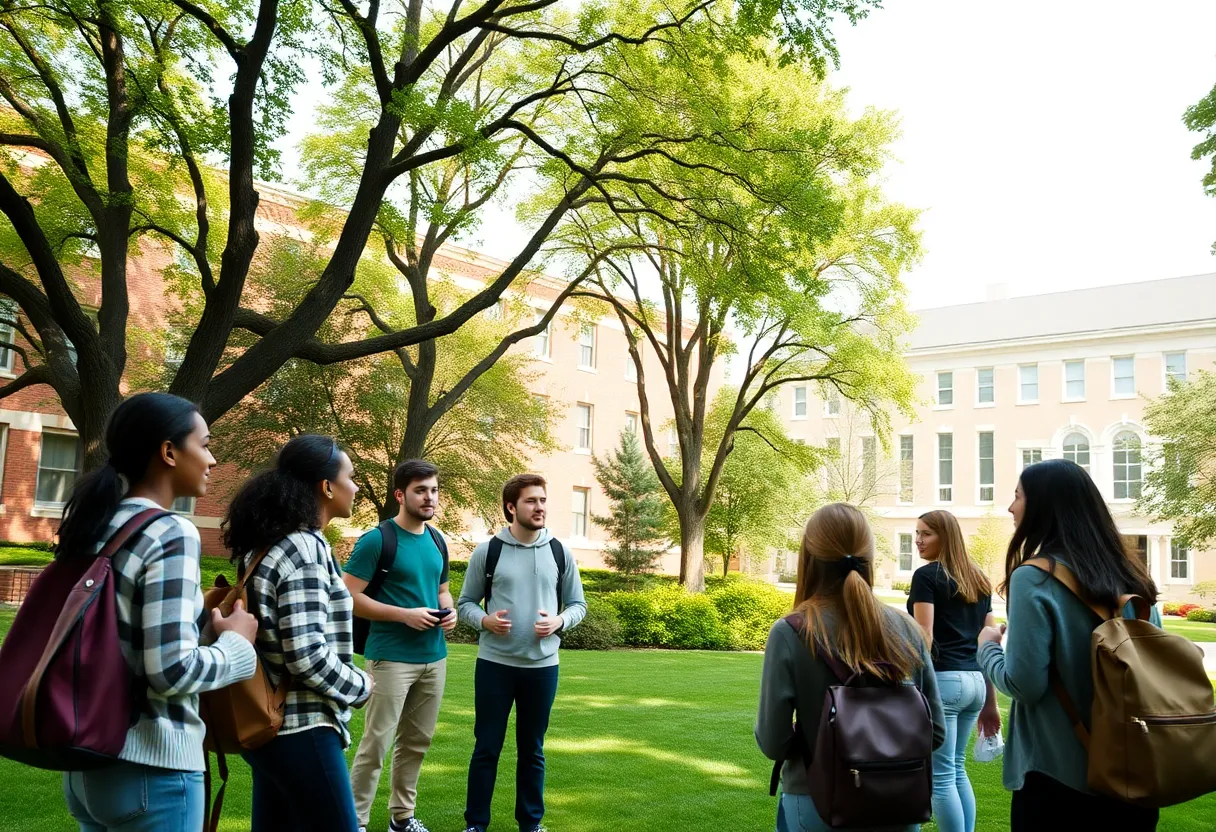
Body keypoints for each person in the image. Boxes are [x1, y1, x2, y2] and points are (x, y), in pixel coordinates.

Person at [59, 393, 259, 832]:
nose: (212, 458)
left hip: (86, 762)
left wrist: (202, 630)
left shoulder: (96, 524)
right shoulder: (170, 531)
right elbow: (170, 671)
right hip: (154, 767)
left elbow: (129, 645)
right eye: (205, 444)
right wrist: (237, 646)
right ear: (169, 452)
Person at [977, 459, 1161, 831]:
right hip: (1136, 775)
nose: (1011, 507)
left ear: (1044, 505)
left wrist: (987, 647)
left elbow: (1025, 686)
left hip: (1058, 781)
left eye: (1017, 496)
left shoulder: (1034, 576)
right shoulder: (1134, 576)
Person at [757, 502, 945, 832]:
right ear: (869, 557)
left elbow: (773, 742)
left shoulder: (791, 632)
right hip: (896, 803)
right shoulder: (907, 629)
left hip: (815, 801)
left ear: (809, 557)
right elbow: (936, 732)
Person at [223, 435, 372, 832]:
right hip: (300, 727)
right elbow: (306, 656)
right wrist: (361, 685)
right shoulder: (304, 549)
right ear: (326, 487)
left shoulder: (269, 544)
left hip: (269, 727)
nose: (355, 487)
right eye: (350, 477)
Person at [456, 474, 588, 832]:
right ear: (512, 507)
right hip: (495, 665)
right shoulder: (489, 552)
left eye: (543, 500)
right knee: (486, 747)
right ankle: (475, 825)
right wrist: (485, 620)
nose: (540, 507)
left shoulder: (560, 552)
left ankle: (531, 824)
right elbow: (465, 603)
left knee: (533, 750)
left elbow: (578, 605)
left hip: (543, 667)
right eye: (531, 501)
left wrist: (559, 621)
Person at [346, 460, 457, 832]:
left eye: (434, 490)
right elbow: (348, 596)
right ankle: (355, 822)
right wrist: (403, 615)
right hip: (390, 657)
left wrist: (450, 610)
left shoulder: (438, 540)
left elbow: (442, 590)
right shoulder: (378, 539)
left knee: (417, 743)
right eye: (421, 490)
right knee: (376, 744)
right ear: (400, 494)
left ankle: (402, 818)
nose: (430, 498)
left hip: (434, 658)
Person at [907, 511, 1000, 832]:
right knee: (956, 769)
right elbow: (989, 643)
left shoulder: (926, 577)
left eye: (926, 534)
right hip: (975, 681)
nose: (918, 540)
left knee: (941, 775)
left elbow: (924, 637)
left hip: (944, 682)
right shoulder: (979, 579)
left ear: (945, 537)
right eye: (917, 532)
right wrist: (990, 701)